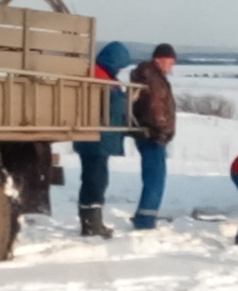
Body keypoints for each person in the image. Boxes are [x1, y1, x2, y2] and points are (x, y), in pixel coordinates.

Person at [76, 41, 132, 238]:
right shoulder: (100, 79)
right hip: (96, 138)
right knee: (95, 180)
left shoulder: (100, 74)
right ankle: (91, 225)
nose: (120, 69)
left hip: (95, 138)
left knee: (94, 179)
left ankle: (91, 222)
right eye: (120, 65)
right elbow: (108, 107)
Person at [128, 43, 177, 229]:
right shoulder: (153, 79)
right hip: (153, 134)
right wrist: (163, 130)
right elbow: (156, 107)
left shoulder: (147, 75)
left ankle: (144, 215)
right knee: (155, 178)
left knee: (152, 177)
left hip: (146, 132)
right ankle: (146, 219)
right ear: (160, 59)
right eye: (169, 62)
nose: (171, 67)